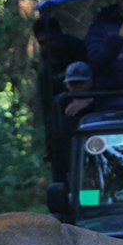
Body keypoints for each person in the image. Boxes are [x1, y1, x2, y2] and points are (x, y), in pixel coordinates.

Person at [34, 16, 88, 165]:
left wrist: (89, 100)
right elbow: (48, 110)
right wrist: (50, 142)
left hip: (94, 118)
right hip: (66, 125)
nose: (48, 47)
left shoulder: (83, 50)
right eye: (42, 43)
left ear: (60, 35)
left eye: (51, 40)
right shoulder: (46, 70)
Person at [51, 61, 95, 182]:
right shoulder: (61, 109)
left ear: (90, 82)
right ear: (67, 86)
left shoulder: (101, 106)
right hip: (77, 175)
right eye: (73, 83)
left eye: (81, 83)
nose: (77, 87)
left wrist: (90, 102)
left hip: (100, 169)